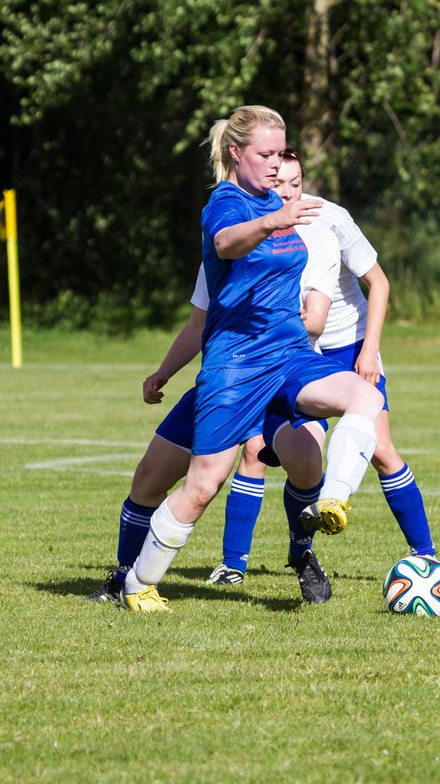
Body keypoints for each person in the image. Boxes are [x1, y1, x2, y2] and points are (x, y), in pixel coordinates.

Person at [118, 105, 383, 612]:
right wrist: (273, 220)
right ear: (236, 153)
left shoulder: (277, 202)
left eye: (281, 153)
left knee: (364, 396)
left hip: (286, 353)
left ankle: (333, 499)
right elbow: (225, 243)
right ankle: (138, 583)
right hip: (236, 364)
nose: (276, 164)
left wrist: (282, 215)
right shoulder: (229, 202)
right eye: (266, 154)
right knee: (201, 486)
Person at [210, 153, 437, 577]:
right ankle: (238, 564)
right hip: (288, 352)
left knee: (382, 451)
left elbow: (379, 283)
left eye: (296, 184)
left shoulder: (329, 221)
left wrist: (369, 351)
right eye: (281, 186)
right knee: (262, 451)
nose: (289, 193)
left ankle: (425, 554)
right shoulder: (252, 226)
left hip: (345, 348)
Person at [87, 226, 340, 605]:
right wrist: (164, 372)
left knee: (305, 464)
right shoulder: (226, 244)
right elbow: (197, 324)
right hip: (227, 382)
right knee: (149, 478)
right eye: (275, 178)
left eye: (292, 182)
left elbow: (316, 321)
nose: (283, 191)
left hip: (284, 380)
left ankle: (300, 552)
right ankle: (124, 577)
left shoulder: (313, 243)